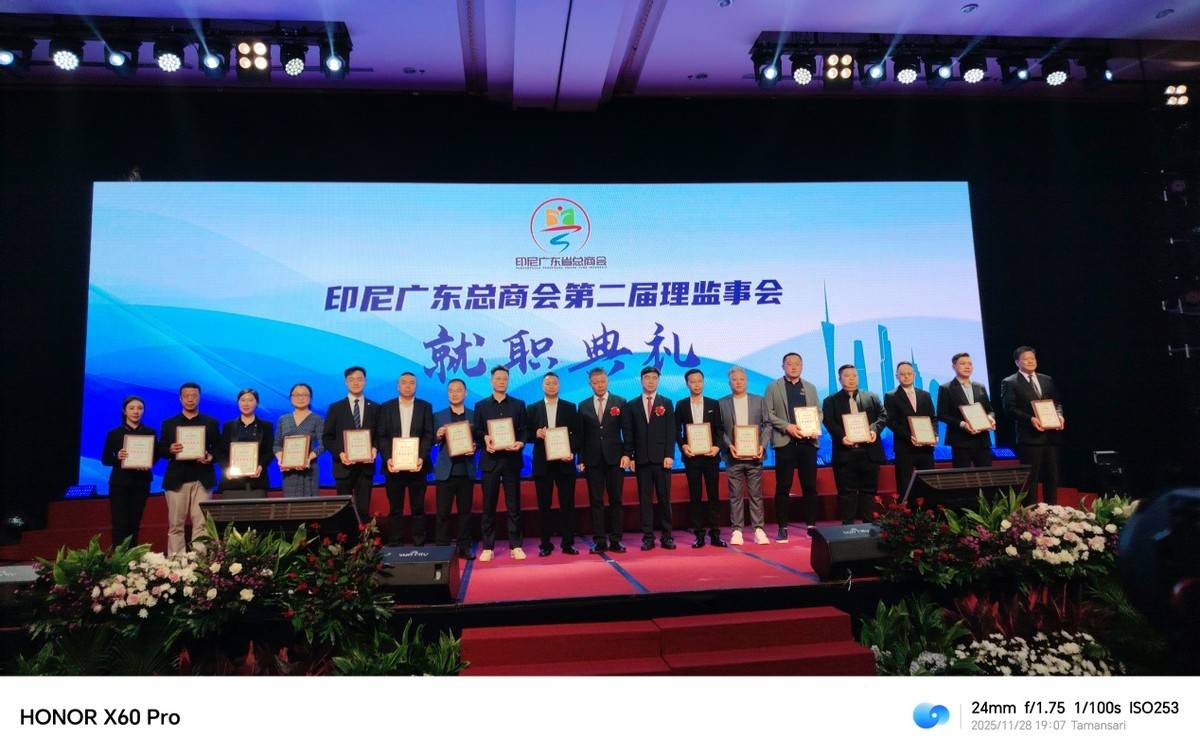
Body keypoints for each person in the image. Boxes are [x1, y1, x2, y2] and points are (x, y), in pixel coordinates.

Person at [764, 352, 822, 539]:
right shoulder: (773, 387)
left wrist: (814, 426)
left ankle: (811, 526)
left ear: (802, 366)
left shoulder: (810, 387)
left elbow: (818, 412)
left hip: (808, 442)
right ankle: (782, 527)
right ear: (783, 366)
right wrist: (787, 427)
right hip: (785, 442)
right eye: (789, 364)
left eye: (797, 363)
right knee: (783, 486)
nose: (794, 367)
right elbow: (768, 414)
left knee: (810, 486)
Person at [472, 365, 528, 561]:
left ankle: (516, 545)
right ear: (491, 381)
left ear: (508, 381)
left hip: (512, 461)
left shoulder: (518, 404)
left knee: (514, 506)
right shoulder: (481, 406)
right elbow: (477, 431)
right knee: (488, 506)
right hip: (490, 462)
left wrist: (521, 442)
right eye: (498, 378)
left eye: (505, 378)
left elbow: (524, 429)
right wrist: (485, 438)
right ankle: (488, 547)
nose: (501, 381)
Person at [158, 382, 220, 556]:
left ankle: (199, 563)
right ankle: (176, 564)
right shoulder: (169, 423)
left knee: (201, 524)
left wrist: (211, 457)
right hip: (177, 479)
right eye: (186, 396)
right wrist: (170, 449)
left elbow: (220, 448)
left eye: (194, 395)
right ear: (180, 399)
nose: (190, 399)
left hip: (203, 478)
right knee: (176, 525)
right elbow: (160, 448)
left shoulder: (211, 422)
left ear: (199, 398)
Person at [823, 365, 888, 525]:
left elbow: (883, 416)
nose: (851, 379)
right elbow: (829, 421)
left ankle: (869, 526)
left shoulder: (871, 397)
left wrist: (873, 430)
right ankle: (848, 528)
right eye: (847, 376)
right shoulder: (830, 401)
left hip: (869, 452)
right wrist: (842, 437)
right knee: (846, 492)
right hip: (845, 453)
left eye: (854, 375)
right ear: (840, 379)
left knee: (869, 491)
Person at [1000, 346, 1065, 504]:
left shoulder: (1046, 379)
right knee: (1031, 479)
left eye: (1032, 358)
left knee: (1052, 477)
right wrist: (1031, 419)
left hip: (1050, 436)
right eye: (1025, 359)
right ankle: (1031, 513)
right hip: (1029, 437)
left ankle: (1052, 510)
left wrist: (1059, 416)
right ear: (1017, 362)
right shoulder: (1010, 382)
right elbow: (1009, 409)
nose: (1030, 361)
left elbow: (1056, 402)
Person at [376, 372, 435, 546]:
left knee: (418, 508)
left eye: (412, 383)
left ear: (416, 386)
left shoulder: (425, 407)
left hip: (418, 466)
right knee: (395, 508)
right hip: (393, 467)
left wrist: (421, 457)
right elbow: (381, 436)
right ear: (398, 386)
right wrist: (388, 458)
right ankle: (395, 543)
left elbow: (428, 435)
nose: (408, 386)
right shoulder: (386, 407)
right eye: (404, 382)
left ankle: (419, 543)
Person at [576, 367, 630, 555]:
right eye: (596, 382)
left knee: (616, 500)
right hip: (592, 460)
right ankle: (599, 541)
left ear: (608, 381)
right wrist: (581, 458)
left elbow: (627, 431)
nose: (600, 385)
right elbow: (581, 435)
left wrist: (627, 454)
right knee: (596, 501)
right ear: (590, 384)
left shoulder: (620, 402)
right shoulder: (583, 405)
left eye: (603, 381)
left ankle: (615, 540)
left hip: (615, 458)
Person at [623, 366, 677, 551]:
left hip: (662, 460)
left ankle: (667, 536)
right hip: (641, 460)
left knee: (664, 499)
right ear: (641, 380)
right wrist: (630, 456)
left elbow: (671, 431)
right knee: (645, 501)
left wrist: (669, 455)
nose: (651, 381)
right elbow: (629, 433)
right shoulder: (632, 405)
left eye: (654, 378)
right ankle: (648, 537)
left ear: (658, 380)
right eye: (647, 378)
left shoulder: (666, 403)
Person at [527, 372, 580, 556]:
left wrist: (572, 451)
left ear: (559, 385)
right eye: (548, 383)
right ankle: (545, 544)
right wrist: (536, 433)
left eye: (554, 383)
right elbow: (525, 433)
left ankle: (568, 543)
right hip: (543, 464)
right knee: (544, 506)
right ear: (542, 386)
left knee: (567, 505)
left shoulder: (570, 407)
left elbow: (578, 434)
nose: (551, 386)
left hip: (565, 463)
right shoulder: (533, 408)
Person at [718, 366, 772, 546]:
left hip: (755, 456)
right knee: (735, 495)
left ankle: (758, 529)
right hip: (733, 456)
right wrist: (729, 445)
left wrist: (762, 445)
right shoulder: (722, 403)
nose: (738, 382)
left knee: (756, 494)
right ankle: (737, 530)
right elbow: (719, 429)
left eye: (741, 379)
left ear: (746, 381)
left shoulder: (759, 400)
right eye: (734, 379)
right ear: (729, 382)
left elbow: (767, 424)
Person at [675, 368, 726, 548]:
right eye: (692, 382)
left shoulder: (713, 403)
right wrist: (683, 446)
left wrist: (717, 447)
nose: (696, 385)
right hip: (691, 457)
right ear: (687, 384)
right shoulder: (681, 405)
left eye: (699, 381)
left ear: (703, 382)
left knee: (713, 495)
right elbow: (676, 430)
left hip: (711, 456)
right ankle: (699, 535)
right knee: (695, 496)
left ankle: (715, 534)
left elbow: (719, 429)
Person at [322, 366, 379, 524]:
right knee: (343, 510)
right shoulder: (335, 408)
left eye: (359, 379)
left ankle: (364, 538)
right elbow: (327, 437)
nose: (356, 382)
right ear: (346, 382)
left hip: (366, 468)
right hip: (343, 467)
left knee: (363, 510)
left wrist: (374, 448)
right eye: (351, 379)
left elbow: (380, 435)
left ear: (365, 381)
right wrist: (340, 453)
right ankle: (344, 539)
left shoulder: (375, 407)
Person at [100, 395, 156, 547]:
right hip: (120, 483)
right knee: (119, 523)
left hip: (142, 482)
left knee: (135, 523)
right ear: (124, 411)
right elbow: (105, 459)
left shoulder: (150, 432)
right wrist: (118, 458)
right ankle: (120, 557)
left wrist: (148, 463)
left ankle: (133, 557)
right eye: (132, 408)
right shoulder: (114, 433)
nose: (136, 411)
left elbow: (155, 455)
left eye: (140, 408)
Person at [433, 378, 476, 559]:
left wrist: (475, 446)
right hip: (446, 472)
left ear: (465, 393)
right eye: (451, 390)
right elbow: (431, 440)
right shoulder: (438, 416)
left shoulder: (474, 415)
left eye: (458, 390)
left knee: (465, 513)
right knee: (442, 513)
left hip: (466, 471)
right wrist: (437, 435)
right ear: (447, 393)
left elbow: (479, 440)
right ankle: (442, 549)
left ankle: (464, 547)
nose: (455, 393)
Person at [884, 361, 938, 499]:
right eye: (902, 374)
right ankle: (906, 511)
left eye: (909, 373)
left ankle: (928, 510)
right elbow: (890, 421)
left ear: (914, 375)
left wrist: (935, 434)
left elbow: (933, 418)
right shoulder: (891, 396)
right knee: (905, 485)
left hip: (926, 448)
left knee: (929, 484)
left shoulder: (925, 395)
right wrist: (910, 436)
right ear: (897, 376)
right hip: (905, 448)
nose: (906, 376)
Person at [937, 352, 996, 468]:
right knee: (963, 476)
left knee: (986, 475)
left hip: (982, 440)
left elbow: (990, 410)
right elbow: (942, 414)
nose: (967, 366)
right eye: (963, 364)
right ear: (954, 367)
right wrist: (963, 424)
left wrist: (990, 418)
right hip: (960, 441)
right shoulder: (946, 388)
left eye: (970, 364)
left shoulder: (980, 386)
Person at [216, 388, 274, 499]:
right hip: (232, 483)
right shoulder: (228, 426)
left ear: (257, 403)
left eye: (250, 400)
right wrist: (226, 469)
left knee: (256, 510)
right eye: (242, 400)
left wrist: (261, 465)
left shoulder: (266, 426)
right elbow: (221, 452)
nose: (246, 404)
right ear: (238, 403)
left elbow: (270, 451)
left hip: (257, 483)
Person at [273, 383, 323, 497]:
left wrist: (308, 458)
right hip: (289, 472)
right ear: (290, 398)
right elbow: (276, 445)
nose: (300, 398)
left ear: (310, 398)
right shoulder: (283, 419)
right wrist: (281, 459)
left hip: (309, 470)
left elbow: (323, 445)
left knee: (309, 503)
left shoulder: (317, 419)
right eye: (296, 395)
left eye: (304, 395)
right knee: (291, 504)